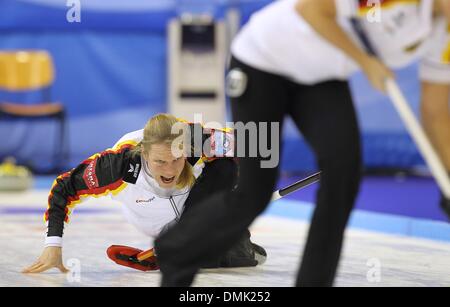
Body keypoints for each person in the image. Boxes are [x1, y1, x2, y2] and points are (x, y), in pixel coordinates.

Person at [154, 0, 450, 287]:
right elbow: (311, 10)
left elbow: (436, 113)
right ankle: (177, 248)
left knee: (343, 175)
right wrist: (366, 62)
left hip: (320, 78)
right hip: (263, 65)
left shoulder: (445, 32)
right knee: (253, 192)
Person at [23, 113, 266, 274]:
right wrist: (53, 244)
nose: (170, 169)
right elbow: (64, 187)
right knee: (239, 252)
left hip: (196, 207)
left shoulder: (197, 140)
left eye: (176, 159)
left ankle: (196, 241)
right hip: (150, 217)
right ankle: (193, 244)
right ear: (144, 153)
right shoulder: (116, 166)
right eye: (160, 161)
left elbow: (254, 145)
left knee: (225, 166)